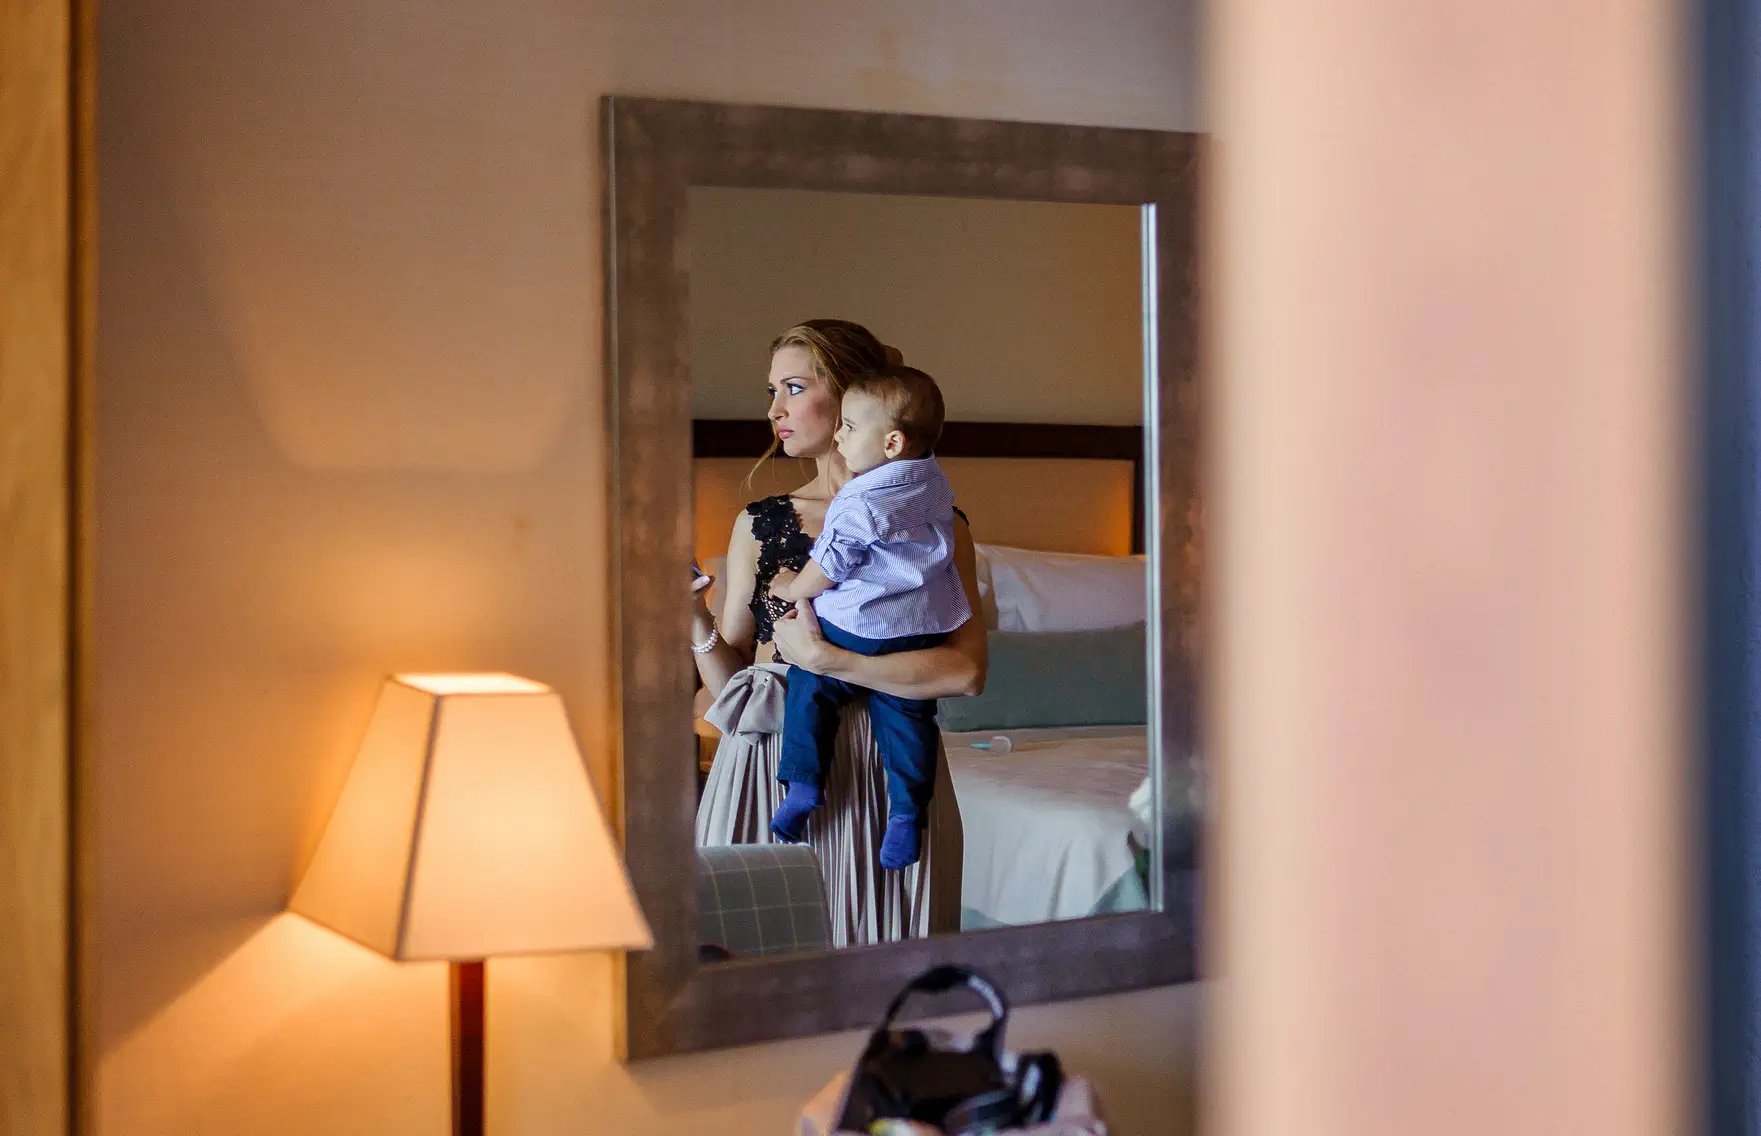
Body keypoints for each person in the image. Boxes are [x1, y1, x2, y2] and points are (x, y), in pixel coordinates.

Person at [689, 319, 986, 947]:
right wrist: (691, 619)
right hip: (769, 767)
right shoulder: (761, 524)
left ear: (854, 394)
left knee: (891, 973)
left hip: (890, 771)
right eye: (772, 391)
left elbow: (965, 673)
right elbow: (733, 688)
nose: (775, 410)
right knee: (751, 970)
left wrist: (827, 661)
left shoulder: (936, 526)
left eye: (794, 388)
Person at [766, 367, 970, 869]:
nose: (840, 436)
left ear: (893, 442)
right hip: (914, 632)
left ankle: (804, 782)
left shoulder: (859, 500)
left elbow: (828, 568)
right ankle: (907, 814)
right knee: (909, 717)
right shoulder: (934, 483)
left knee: (809, 684)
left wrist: (791, 587)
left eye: (851, 426)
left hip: (854, 627)